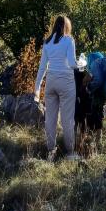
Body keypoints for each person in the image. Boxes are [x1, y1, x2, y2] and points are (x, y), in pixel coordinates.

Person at [33, 15, 81, 162]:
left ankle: (51, 149)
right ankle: (69, 151)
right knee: (67, 119)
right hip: (66, 82)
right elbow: (72, 63)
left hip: (51, 81)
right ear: (66, 26)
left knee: (50, 118)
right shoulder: (69, 40)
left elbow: (42, 67)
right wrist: (82, 63)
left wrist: (37, 88)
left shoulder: (47, 43)